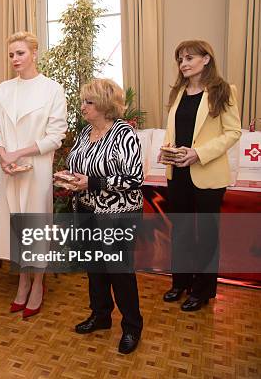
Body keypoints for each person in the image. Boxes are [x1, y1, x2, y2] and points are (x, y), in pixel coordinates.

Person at [55, 78, 144, 354]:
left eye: (87, 102)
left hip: (118, 214)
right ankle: (101, 315)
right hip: (86, 210)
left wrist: (91, 183)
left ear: (104, 105)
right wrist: (69, 180)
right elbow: (77, 166)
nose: (82, 106)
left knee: (120, 272)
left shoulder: (124, 134)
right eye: (82, 101)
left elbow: (134, 178)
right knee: (94, 268)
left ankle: (131, 326)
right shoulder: (85, 132)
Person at [0, 31, 67, 318]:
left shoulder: (52, 90)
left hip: (37, 170)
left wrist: (19, 153)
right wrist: (3, 154)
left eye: (20, 53)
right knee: (15, 230)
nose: (15, 59)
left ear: (34, 53)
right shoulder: (3, 89)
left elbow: (56, 136)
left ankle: (37, 283)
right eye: (11, 54)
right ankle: (22, 281)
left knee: (35, 228)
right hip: (8, 169)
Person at [159, 40, 241, 311]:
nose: (183, 63)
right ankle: (180, 283)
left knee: (206, 234)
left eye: (189, 57)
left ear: (206, 59)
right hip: (178, 173)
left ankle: (202, 291)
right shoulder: (177, 92)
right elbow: (174, 131)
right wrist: (167, 149)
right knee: (180, 231)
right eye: (180, 59)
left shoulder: (223, 91)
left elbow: (233, 133)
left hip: (207, 172)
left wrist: (198, 153)